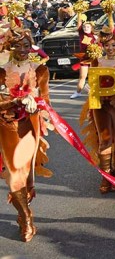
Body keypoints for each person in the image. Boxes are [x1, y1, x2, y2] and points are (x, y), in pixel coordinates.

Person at [0, 28, 51, 242]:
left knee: (27, 176)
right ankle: (27, 218)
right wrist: (14, 101)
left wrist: (36, 104)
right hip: (7, 125)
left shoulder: (40, 70)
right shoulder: (1, 71)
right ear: (8, 47)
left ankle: (23, 212)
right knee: (13, 175)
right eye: (17, 46)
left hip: (30, 127)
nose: (22, 50)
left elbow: (46, 101)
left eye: (26, 46)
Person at [82, 28, 115, 193]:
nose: (110, 48)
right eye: (107, 45)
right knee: (104, 140)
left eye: (113, 45)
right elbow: (92, 81)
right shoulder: (96, 62)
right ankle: (106, 178)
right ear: (102, 46)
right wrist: (88, 87)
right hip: (101, 105)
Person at [70, 15, 95, 99]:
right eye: (84, 27)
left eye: (88, 27)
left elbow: (100, 48)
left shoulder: (95, 37)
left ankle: (93, 92)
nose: (85, 28)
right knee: (82, 76)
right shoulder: (81, 34)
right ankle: (78, 92)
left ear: (91, 28)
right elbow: (79, 24)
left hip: (93, 59)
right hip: (84, 59)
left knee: (93, 77)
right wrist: (79, 12)